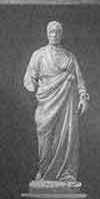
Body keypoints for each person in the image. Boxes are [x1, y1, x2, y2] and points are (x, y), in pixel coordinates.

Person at [22, 20, 87, 182]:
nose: (55, 34)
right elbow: (29, 78)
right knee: (45, 141)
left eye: (58, 32)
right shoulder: (39, 55)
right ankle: (44, 173)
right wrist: (34, 86)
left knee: (65, 138)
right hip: (46, 104)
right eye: (52, 31)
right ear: (47, 34)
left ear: (61, 35)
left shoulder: (69, 57)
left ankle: (65, 174)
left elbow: (80, 80)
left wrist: (83, 96)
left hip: (66, 105)